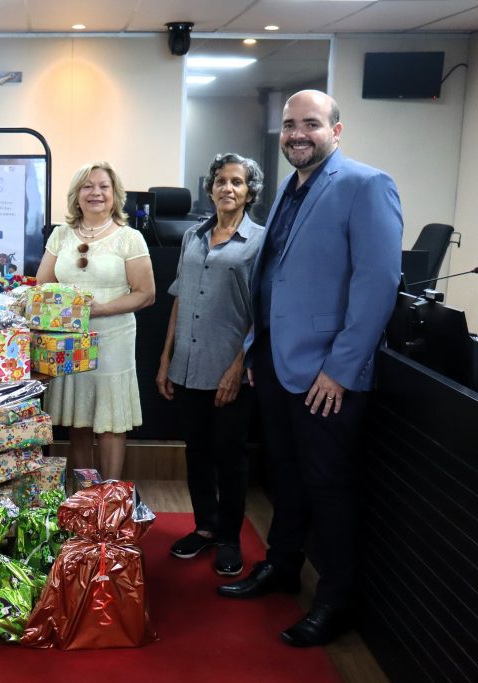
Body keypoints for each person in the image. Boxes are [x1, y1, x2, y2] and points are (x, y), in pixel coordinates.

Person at [216, 90, 403, 648]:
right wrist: (255, 348)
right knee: (286, 475)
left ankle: (335, 601)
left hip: (328, 376)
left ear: (336, 131)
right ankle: (282, 566)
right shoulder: (289, 191)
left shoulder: (367, 185)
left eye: (311, 124)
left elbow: (377, 285)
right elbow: (273, 275)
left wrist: (341, 370)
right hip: (276, 363)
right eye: (290, 124)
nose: (298, 133)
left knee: (330, 488)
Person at [156, 153, 266, 577]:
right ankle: (205, 527)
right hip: (187, 364)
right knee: (197, 452)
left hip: (229, 367)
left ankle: (230, 537)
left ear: (249, 192)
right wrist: (166, 358)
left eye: (237, 182)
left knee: (230, 456)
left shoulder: (260, 242)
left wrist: (238, 366)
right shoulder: (193, 237)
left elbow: (262, 313)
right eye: (221, 181)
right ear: (211, 188)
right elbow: (180, 300)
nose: (228, 188)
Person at [36, 162, 155, 481]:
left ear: (115, 195)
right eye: (88, 186)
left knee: (111, 420)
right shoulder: (61, 235)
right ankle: (86, 499)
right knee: (79, 420)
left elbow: (145, 294)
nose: (96, 193)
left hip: (113, 337)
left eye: (103, 186)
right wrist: (62, 305)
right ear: (77, 195)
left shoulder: (130, 239)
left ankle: (109, 497)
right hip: (70, 341)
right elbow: (42, 286)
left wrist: (101, 309)